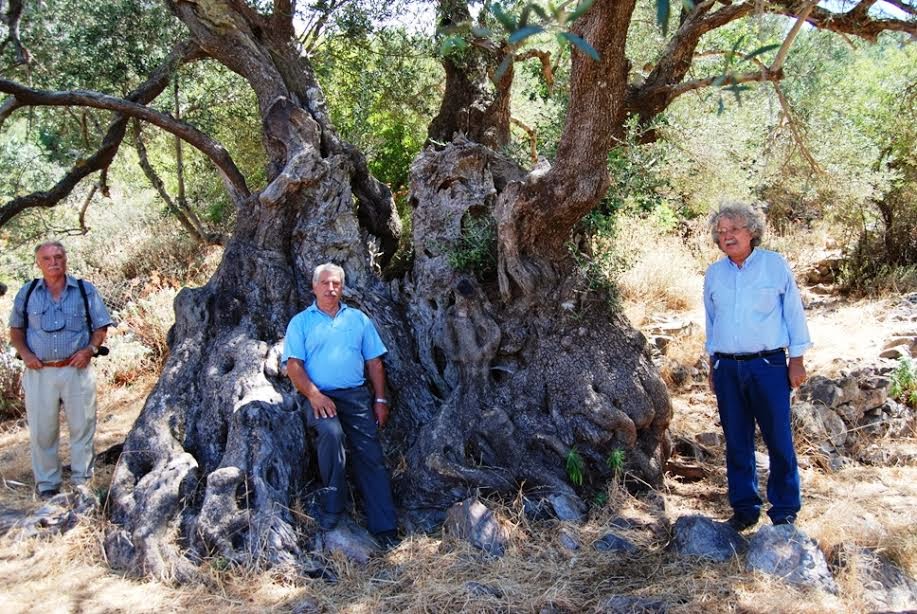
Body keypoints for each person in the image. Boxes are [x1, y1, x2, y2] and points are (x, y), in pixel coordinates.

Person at [703, 201, 811, 531]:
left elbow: (793, 312)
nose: (727, 236)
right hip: (727, 368)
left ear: (752, 231)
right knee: (737, 440)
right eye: (721, 232)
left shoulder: (774, 265)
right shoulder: (714, 274)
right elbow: (711, 321)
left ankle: (785, 509)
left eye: (733, 229)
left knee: (778, 438)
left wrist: (797, 360)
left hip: (768, 365)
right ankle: (745, 508)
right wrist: (712, 364)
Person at [282, 262, 399, 547]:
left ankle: (384, 527)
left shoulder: (358, 320)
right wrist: (314, 396)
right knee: (331, 435)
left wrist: (380, 399)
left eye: (336, 283)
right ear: (314, 287)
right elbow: (294, 366)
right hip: (319, 396)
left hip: (356, 395)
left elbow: (374, 362)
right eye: (325, 283)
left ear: (342, 287)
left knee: (369, 452)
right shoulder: (301, 322)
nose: (331, 288)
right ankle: (333, 507)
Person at [8, 241, 112, 499]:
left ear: (66, 259)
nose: (53, 262)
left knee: (82, 427)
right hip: (40, 371)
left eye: (58, 256)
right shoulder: (28, 292)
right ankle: (47, 485)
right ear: (38, 263)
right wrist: (26, 354)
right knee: (43, 430)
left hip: (76, 370)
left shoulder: (85, 291)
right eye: (47, 258)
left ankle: (82, 482)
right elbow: (16, 331)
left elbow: (100, 328)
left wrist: (89, 349)